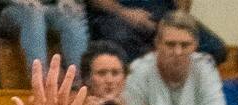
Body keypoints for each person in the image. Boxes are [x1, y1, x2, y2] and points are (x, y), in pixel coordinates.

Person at [85, 0, 226, 68]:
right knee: (121, 43)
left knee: (216, 49)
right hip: (116, 13)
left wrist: (177, 20)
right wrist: (125, 13)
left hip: (163, 12)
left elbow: (182, 4)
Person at [0, 0, 89, 78]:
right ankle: (40, 78)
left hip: (47, 8)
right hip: (13, 8)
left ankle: (78, 78)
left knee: (71, 15)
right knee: (33, 13)